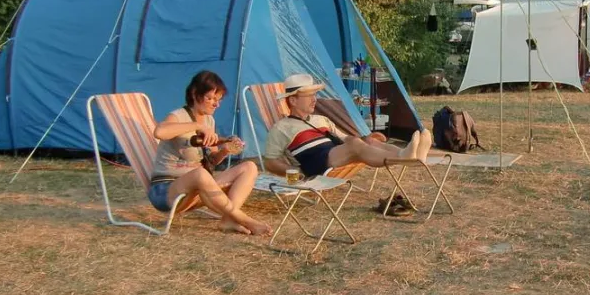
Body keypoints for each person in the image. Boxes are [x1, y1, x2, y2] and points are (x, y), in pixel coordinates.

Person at [151, 71, 272, 236]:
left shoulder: (209, 120)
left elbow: (212, 160)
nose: (216, 104)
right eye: (210, 98)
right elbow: (159, 132)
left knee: (249, 167)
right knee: (200, 174)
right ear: (195, 94)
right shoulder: (178, 116)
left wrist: (224, 150)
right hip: (167, 190)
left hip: (197, 188)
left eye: (219, 99)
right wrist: (197, 126)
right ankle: (243, 219)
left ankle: (228, 220)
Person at [262, 73, 432, 178]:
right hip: (316, 163)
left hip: (335, 153)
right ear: (292, 100)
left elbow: (344, 138)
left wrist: (367, 139)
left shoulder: (321, 119)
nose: (315, 99)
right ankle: (404, 156)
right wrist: (294, 172)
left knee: (367, 142)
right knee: (355, 145)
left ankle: (412, 155)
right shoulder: (281, 128)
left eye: (314, 94)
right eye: (309, 96)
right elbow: (270, 161)